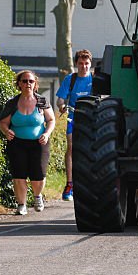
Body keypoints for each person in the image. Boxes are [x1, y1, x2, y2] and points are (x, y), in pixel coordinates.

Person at [0, 70, 55, 215]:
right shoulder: (12, 103)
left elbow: (51, 120)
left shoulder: (42, 101)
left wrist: (47, 134)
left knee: (38, 175)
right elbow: (2, 122)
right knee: (19, 175)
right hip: (17, 143)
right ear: (19, 84)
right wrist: (6, 131)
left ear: (35, 84)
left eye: (31, 81)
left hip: (39, 143)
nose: (27, 84)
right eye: (24, 81)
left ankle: (37, 196)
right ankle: (21, 204)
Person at [55, 49, 93, 201]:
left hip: (91, 119)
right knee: (71, 148)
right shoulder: (70, 79)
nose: (84, 66)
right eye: (81, 63)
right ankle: (69, 184)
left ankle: (89, 182)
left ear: (90, 64)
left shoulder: (94, 79)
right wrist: (61, 106)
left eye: (87, 64)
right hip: (73, 117)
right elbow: (60, 100)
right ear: (76, 64)